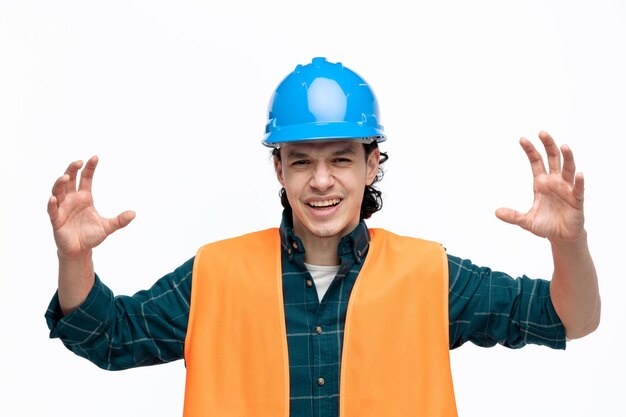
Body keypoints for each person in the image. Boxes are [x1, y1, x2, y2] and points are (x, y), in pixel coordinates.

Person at [45, 57, 600, 417]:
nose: (321, 181)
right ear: (278, 169)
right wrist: (75, 259)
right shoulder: (214, 275)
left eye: (340, 159)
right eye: (301, 161)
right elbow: (107, 337)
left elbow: (573, 319)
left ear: (371, 163)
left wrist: (568, 244)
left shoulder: (431, 276)